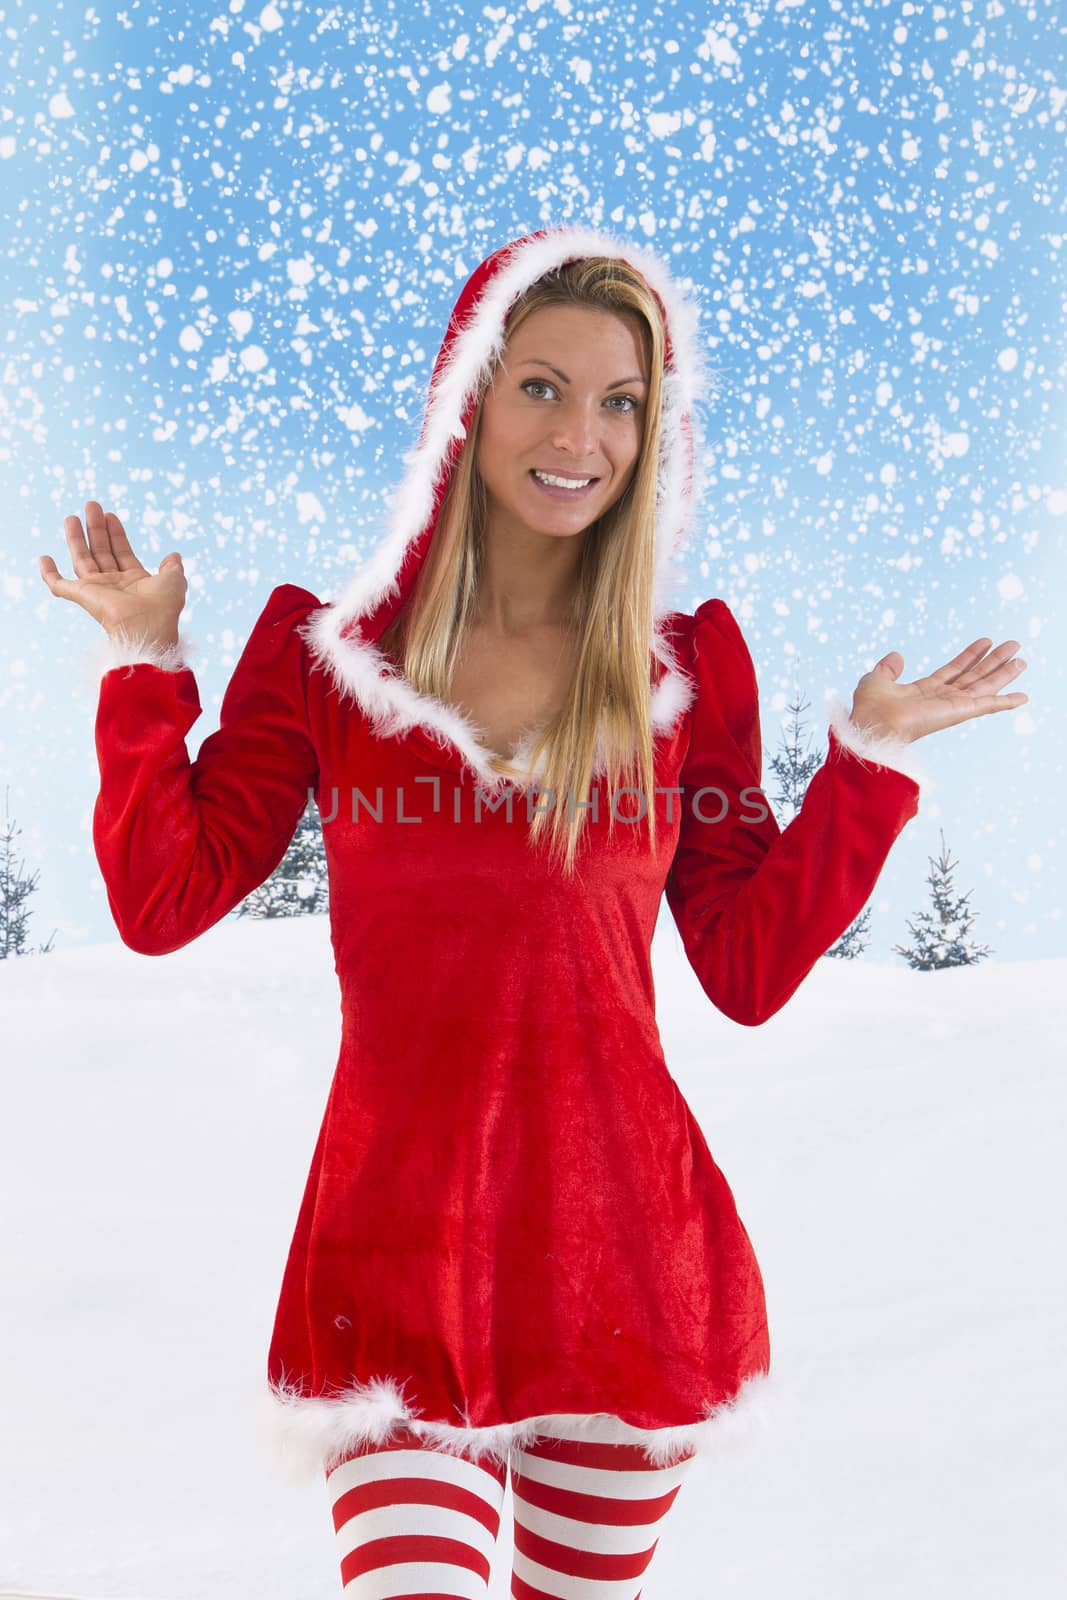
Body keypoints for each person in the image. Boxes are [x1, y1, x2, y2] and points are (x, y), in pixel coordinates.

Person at [39, 225, 1028, 1598]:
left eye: (622, 400)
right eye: (543, 387)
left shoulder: (684, 673)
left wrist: (867, 765)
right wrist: (143, 661)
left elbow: (742, 964)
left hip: (623, 1264)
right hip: (393, 1265)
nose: (585, 435)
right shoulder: (325, 659)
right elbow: (161, 896)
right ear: (468, 403)